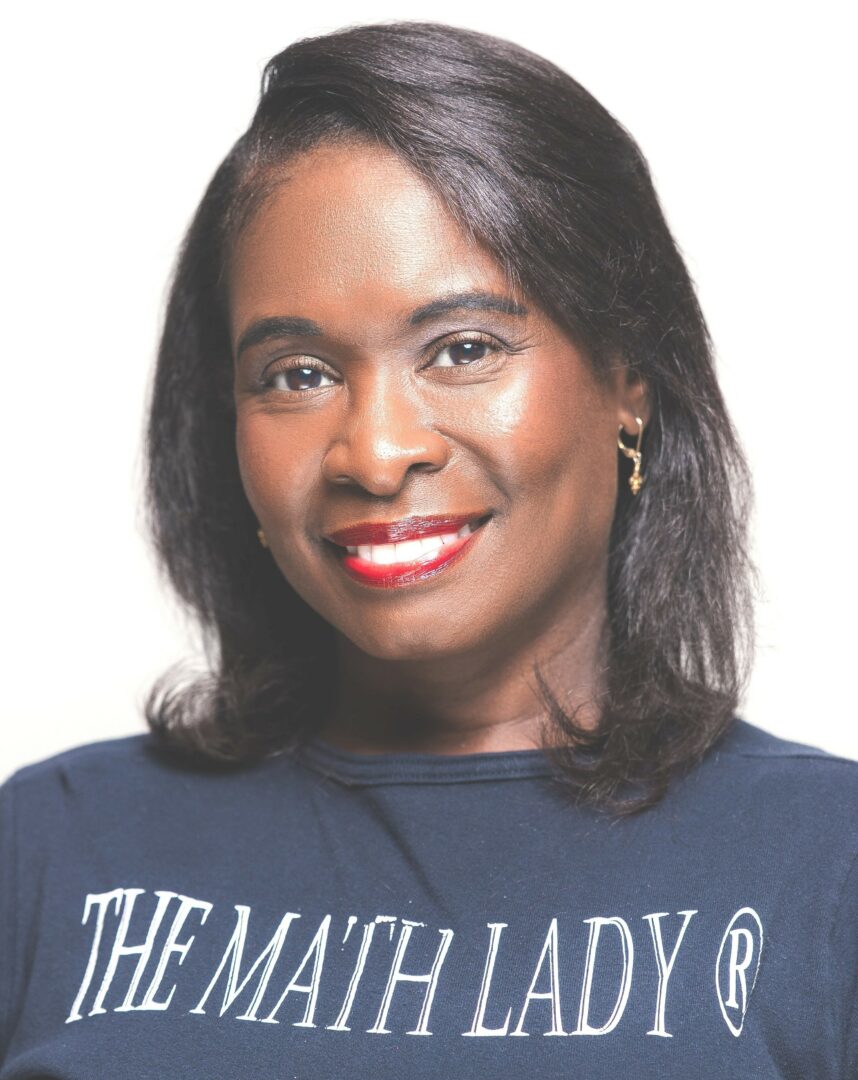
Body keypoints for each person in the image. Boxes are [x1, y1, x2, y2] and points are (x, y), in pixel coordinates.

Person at [1, 20, 855, 1079]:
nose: (375, 452)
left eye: (463, 349)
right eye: (298, 374)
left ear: (629, 379)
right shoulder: (52, 848)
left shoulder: (828, 869)